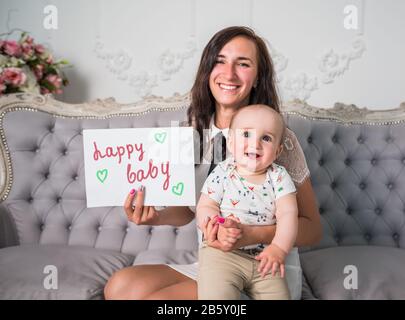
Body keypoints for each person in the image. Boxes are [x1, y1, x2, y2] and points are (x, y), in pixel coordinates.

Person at [104, 26, 322, 300]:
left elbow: (313, 228)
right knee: (119, 287)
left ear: (257, 78)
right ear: (208, 70)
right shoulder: (194, 131)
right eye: (220, 61)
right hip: (217, 263)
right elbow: (188, 209)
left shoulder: (275, 140)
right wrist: (155, 216)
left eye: (243, 64)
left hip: (266, 269)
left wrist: (253, 234)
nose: (229, 74)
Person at [196, 104, 298, 299]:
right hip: (223, 255)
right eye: (246, 135)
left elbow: (288, 215)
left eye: (266, 138)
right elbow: (206, 205)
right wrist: (215, 227)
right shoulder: (224, 171)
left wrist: (279, 248)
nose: (255, 143)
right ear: (231, 143)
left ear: (278, 151)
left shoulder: (279, 177)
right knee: (216, 296)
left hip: (265, 258)